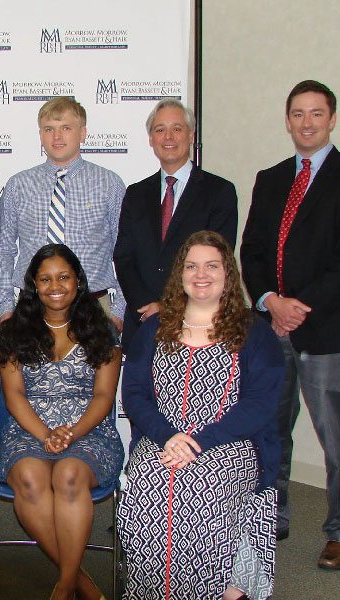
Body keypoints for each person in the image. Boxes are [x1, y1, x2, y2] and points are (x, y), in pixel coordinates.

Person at [240, 80, 340, 569]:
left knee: (338, 437)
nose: (306, 123)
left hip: (326, 330)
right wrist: (269, 301)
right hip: (270, 327)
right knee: (271, 428)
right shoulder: (271, 177)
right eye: (297, 114)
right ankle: (270, 514)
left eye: (316, 114)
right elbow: (252, 250)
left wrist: (298, 307)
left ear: (332, 119)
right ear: (288, 119)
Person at [118, 231, 284, 600]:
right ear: (180, 274)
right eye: (191, 266)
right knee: (149, 483)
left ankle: (219, 589)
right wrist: (169, 436)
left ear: (228, 273)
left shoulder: (254, 332)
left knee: (204, 483)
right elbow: (136, 394)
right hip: (164, 438)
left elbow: (259, 404)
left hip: (231, 442)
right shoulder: (154, 330)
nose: (201, 274)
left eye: (212, 265)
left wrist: (199, 441)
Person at [0, 244, 124, 600]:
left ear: (78, 281)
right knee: (31, 479)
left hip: (89, 429)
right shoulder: (13, 332)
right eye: (45, 278)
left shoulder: (104, 331)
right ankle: (81, 583)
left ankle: (63, 586)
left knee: (68, 475)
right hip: (28, 428)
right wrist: (45, 434)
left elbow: (103, 397)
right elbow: (14, 395)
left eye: (63, 277)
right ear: (33, 284)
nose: (55, 286)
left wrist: (71, 434)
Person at [0, 96, 126, 330]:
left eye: (66, 128)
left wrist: (118, 313)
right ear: (40, 135)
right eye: (49, 129)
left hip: (93, 305)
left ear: (83, 133)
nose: (57, 136)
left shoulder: (109, 184)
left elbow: (126, 252)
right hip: (32, 307)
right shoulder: (18, 185)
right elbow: (2, 250)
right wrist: (5, 309)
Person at [113, 98, 237, 352]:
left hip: (197, 324)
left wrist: (169, 307)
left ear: (191, 135)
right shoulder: (135, 194)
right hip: (143, 322)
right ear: (150, 139)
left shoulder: (219, 191)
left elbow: (217, 260)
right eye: (160, 129)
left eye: (177, 128)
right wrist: (149, 306)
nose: (168, 136)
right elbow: (124, 258)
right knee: (139, 392)